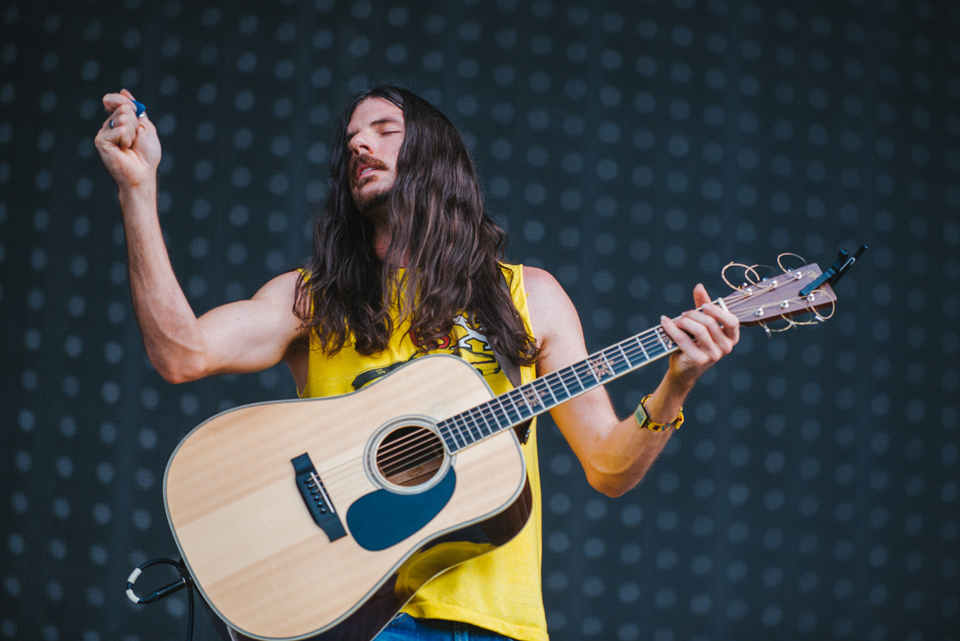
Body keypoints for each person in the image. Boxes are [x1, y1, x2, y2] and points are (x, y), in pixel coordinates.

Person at [96, 85, 739, 641]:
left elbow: (607, 465)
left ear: (434, 156)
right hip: (357, 618)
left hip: (501, 625)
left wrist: (675, 383)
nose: (358, 145)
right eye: (351, 137)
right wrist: (137, 190)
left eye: (384, 130)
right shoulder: (312, 298)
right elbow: (183, 353)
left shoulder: (529, 296)